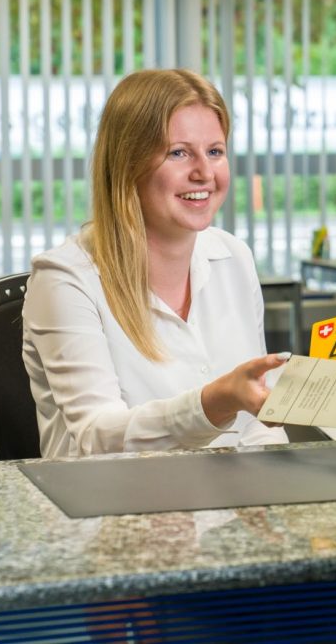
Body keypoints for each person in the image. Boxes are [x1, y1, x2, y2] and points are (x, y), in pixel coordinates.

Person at [22, 69, 288, 458]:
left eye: (215, 151)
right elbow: (99, 435)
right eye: (179, 152)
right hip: (114, 508)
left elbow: (258, 428)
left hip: (229, 505)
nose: (204, 172)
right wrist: (216, 402)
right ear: (130, 163)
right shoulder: (65, 278)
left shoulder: (234, 257)